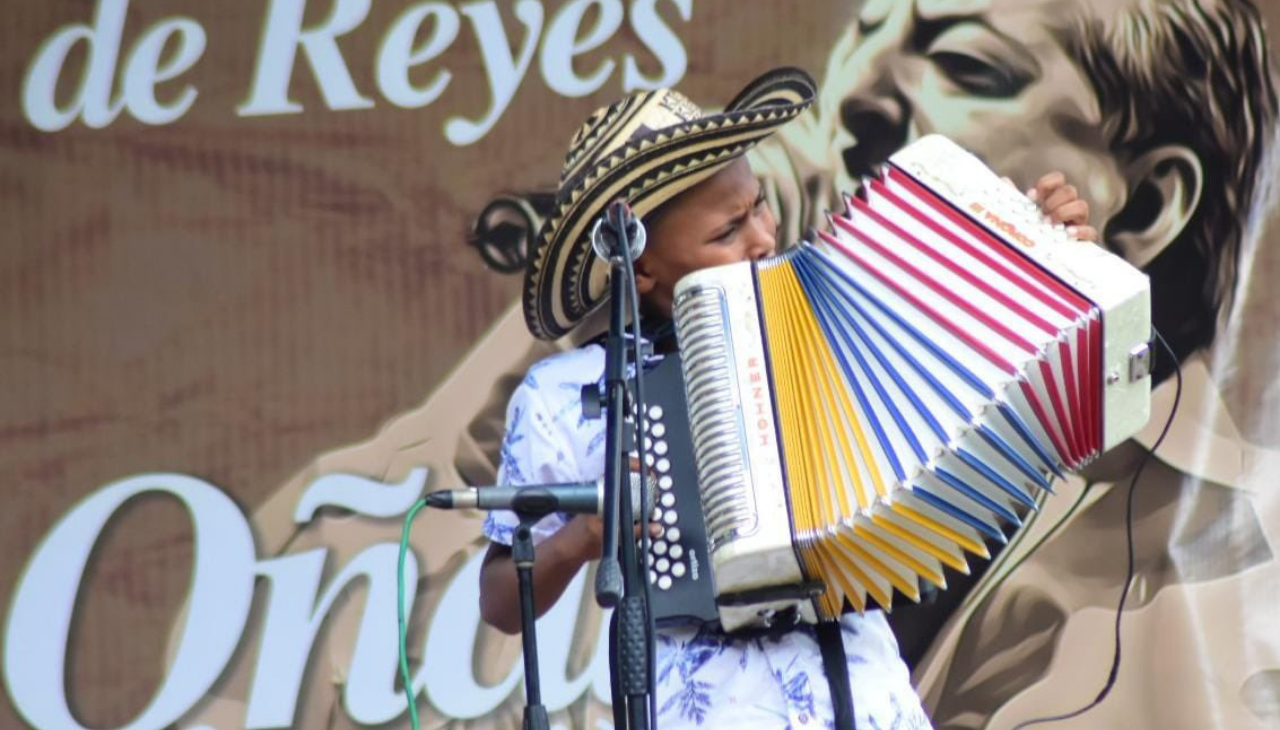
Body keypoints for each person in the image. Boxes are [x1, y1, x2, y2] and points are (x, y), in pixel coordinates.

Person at [477, 67, 1098, 729]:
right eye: (726, 233)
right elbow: (499, 601)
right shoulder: (567, 393)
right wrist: (585, 536)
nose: (764, 237)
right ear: (642, 262)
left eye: (760, 205)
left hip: (869, 699)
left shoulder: (824, 316)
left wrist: (1036, 251)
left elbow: (962, 356)